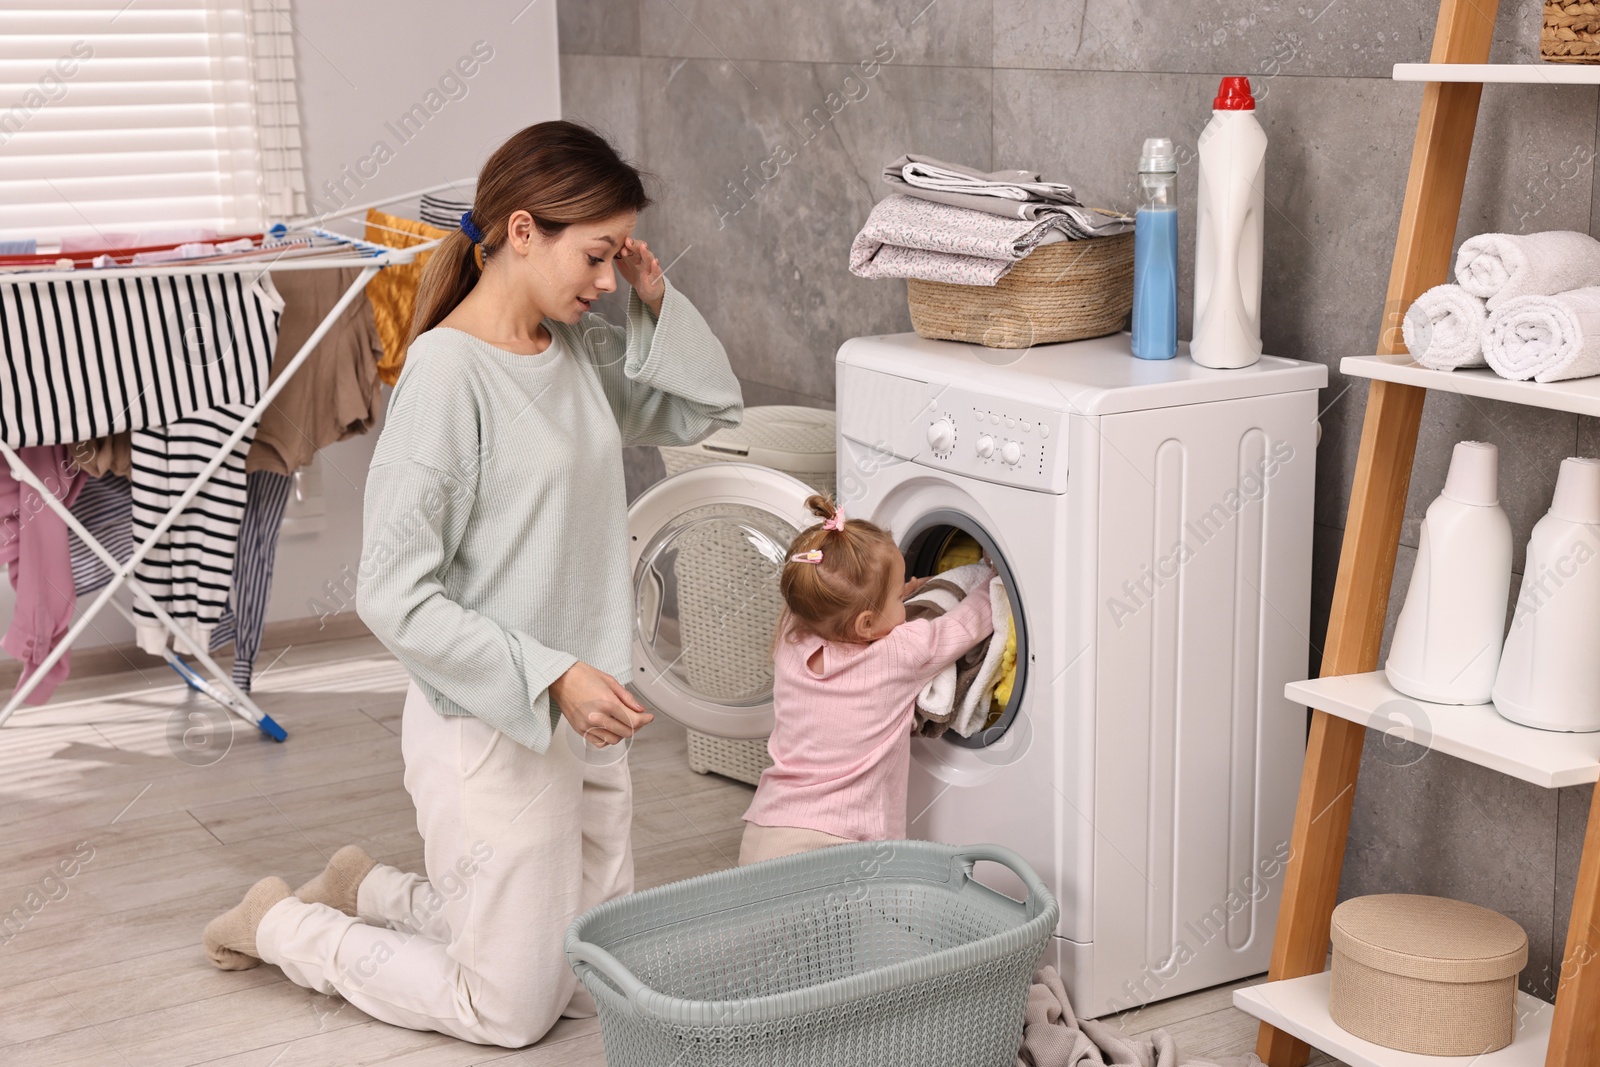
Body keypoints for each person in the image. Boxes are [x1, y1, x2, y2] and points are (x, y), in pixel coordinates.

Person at [201, 120, 743, 1048]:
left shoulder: (572, 347)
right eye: (597, 255)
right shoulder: (449, 378)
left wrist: (653, 302)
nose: (606, 280)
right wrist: (550, 676)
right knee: (507, 1010)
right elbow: (392, 593)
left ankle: (368, 885)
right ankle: (285, 923)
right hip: (492, 721)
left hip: (588, 709)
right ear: (523, 230)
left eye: (618, 258)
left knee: (589, 980)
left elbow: (703, 409)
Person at [739, 495, 995, 865]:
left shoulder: (789, 639)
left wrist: (884, 599)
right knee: (858, 925)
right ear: (867, 624)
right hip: (840, 844)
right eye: (897, 596)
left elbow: (813, 599)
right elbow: (966, 624)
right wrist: (993, 577)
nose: (905, 599)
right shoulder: (900, 654)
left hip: (768, 828)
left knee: (768, 925)